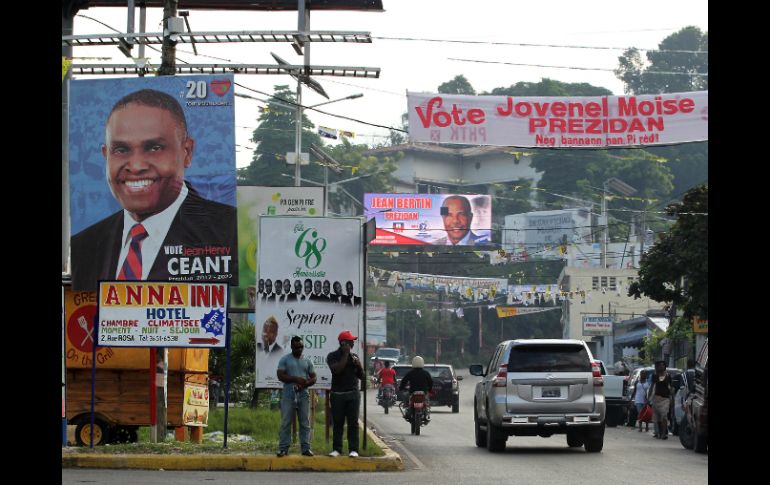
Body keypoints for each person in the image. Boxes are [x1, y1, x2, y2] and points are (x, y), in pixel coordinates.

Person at [71, 88, 237, 291]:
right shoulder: (85, 244)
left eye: (154, 148)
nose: (137, 165)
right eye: (121, 150)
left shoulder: (227, 231)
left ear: (187, 152)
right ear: (106, 155)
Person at [276, 336, 317, 457]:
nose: (299, 349)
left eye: (301, 347)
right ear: (292, 347)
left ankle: (305, 448)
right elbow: (280, 375)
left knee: (305, 422)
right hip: (288, 395)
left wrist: (305, 384)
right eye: (297, 347)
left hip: (303, 395)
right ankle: (283, 448)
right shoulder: (285, 359)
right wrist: (295, 379)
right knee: (286, 422)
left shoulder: (307, 361)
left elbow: (314, 377)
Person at [326, 330, 365, 457]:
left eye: (352, 342)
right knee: (338, 423)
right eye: (350, 342)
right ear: (343, 343)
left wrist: (359, 366)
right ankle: (337, 449)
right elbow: (337, 370)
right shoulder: (332, 356)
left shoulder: (354, 357)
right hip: (338, 395)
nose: (353, 344)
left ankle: (353, 449)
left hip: (353, 394)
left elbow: (361, 376)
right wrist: (345, 355)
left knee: (353, 423)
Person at [649, 360, 673, 439]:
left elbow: (671, 387)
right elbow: (652, 386)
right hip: (656, 398)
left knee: (664, 416)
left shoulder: (668, 376)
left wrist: (672, 397)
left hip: (665, 399)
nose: (661, 367)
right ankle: (659, 432)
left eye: (663, 365)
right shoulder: (655, 376)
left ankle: (663, 433)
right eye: (660, 365)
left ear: (665, 366)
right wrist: (648, 397)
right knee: (658, 418)